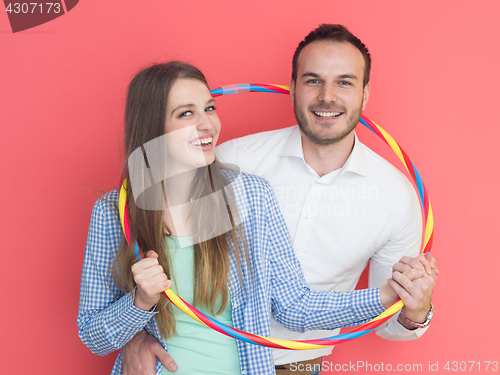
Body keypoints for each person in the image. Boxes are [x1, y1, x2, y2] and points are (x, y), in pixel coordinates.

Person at [77, 61, 434, 375]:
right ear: (153, 127)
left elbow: (294, 307)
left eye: (209, 108)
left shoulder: (250, 195)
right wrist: (140, 302)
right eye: (186, 114)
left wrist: (389, 294)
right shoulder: (114, 212)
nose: (207, 125)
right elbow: (93, 335)